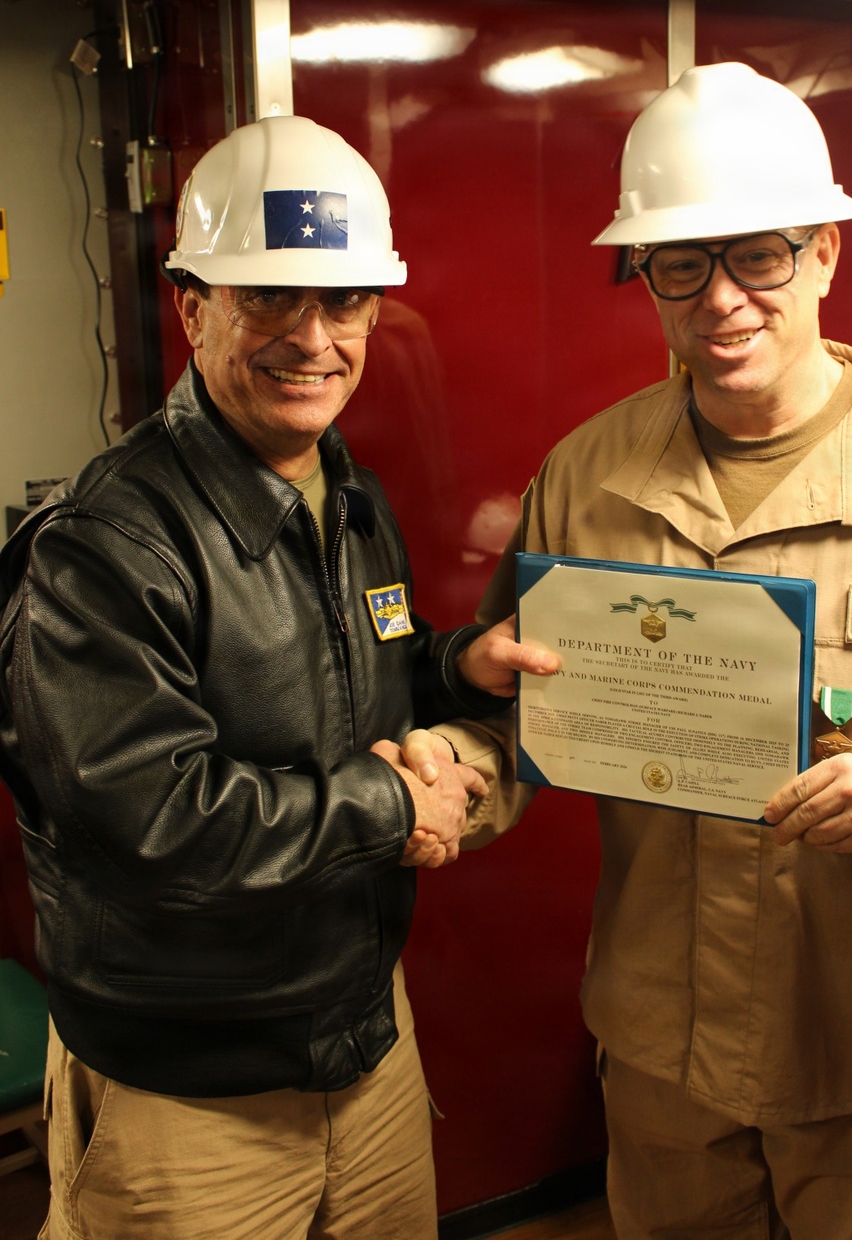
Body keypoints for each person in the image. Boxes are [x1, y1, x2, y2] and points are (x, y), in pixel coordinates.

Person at [406, 62, 852, 1239]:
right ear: (646, 276)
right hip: (668, 1068)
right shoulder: (584, 479)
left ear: (825, 251)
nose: (722, 299)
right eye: (682, 262)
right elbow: (520, 712)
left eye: (760, 254)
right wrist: (450, 775)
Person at [0, 114, 552, 1240]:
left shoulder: (345, 494)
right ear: (194, 308)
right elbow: (152, 822)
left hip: (361, 1043)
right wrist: (394, 801)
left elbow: (360, 666)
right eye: (268, 296)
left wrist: (454, 667)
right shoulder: (105, 546)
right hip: (190, 1093)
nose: (314, 337)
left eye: (344, 301)